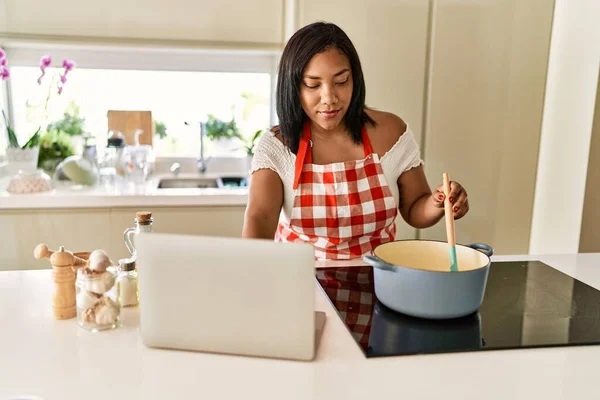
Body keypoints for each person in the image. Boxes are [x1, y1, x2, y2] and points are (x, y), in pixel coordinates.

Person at [242, 21, 469, 260]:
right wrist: (253, 272)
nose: (329, 98)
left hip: (379, 279)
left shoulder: (391, 132)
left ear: (355, 79)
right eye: (313, 84)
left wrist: (438, 202)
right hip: (302, 281)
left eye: (341, 81)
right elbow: (260, 218)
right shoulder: (278, 146)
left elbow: (414, 210)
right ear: (293, 86)